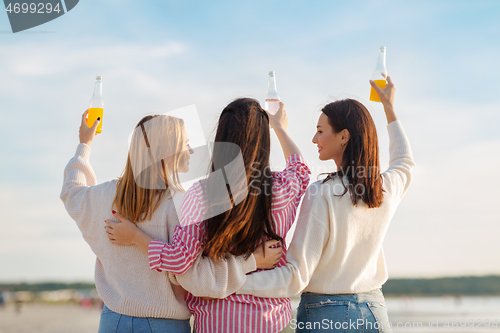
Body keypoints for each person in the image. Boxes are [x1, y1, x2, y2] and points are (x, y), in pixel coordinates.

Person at [61, 111, 280, 333]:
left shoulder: (103, 197)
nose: (191, 150)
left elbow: (71, 191)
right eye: (185, 144)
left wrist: (84, 144)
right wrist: (250, 261)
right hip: (163, 324)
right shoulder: (183, 204)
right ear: (167, 150)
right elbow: (196, 276)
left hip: (112, 321)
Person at [105, 98, 311, 333]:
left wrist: (135, 237)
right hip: (271, 322)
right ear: (263, 141)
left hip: (215, 322)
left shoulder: (202, 194)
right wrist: (279, 127)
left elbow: (179, 261)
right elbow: (301, 170)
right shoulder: (283, 189)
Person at [233, 77, 415, 333]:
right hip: (375, 313)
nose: (314, 139)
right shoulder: (386, 188)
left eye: (320, 130)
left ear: (343, 137)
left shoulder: (321, 194)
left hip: (326, 314)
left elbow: (295, 277)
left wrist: (230, 281)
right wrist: (389, 107)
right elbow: (405, 161)